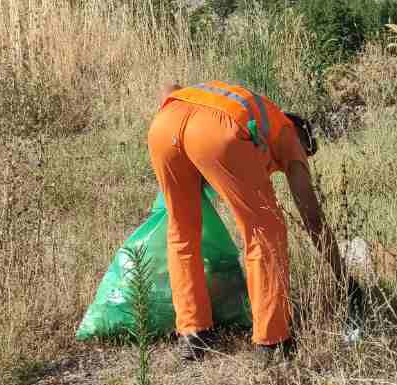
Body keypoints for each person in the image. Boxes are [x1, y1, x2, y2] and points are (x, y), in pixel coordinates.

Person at [148, 79, 346, 364]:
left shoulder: (257, 111)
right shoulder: (289, 135)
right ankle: (273, 338)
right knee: (266, 231)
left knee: (182, 229)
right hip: (216, 132)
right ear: (303, 136)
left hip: (164, 125)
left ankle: (193, 332)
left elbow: (168, 87)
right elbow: (312, 217)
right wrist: (342, 277)